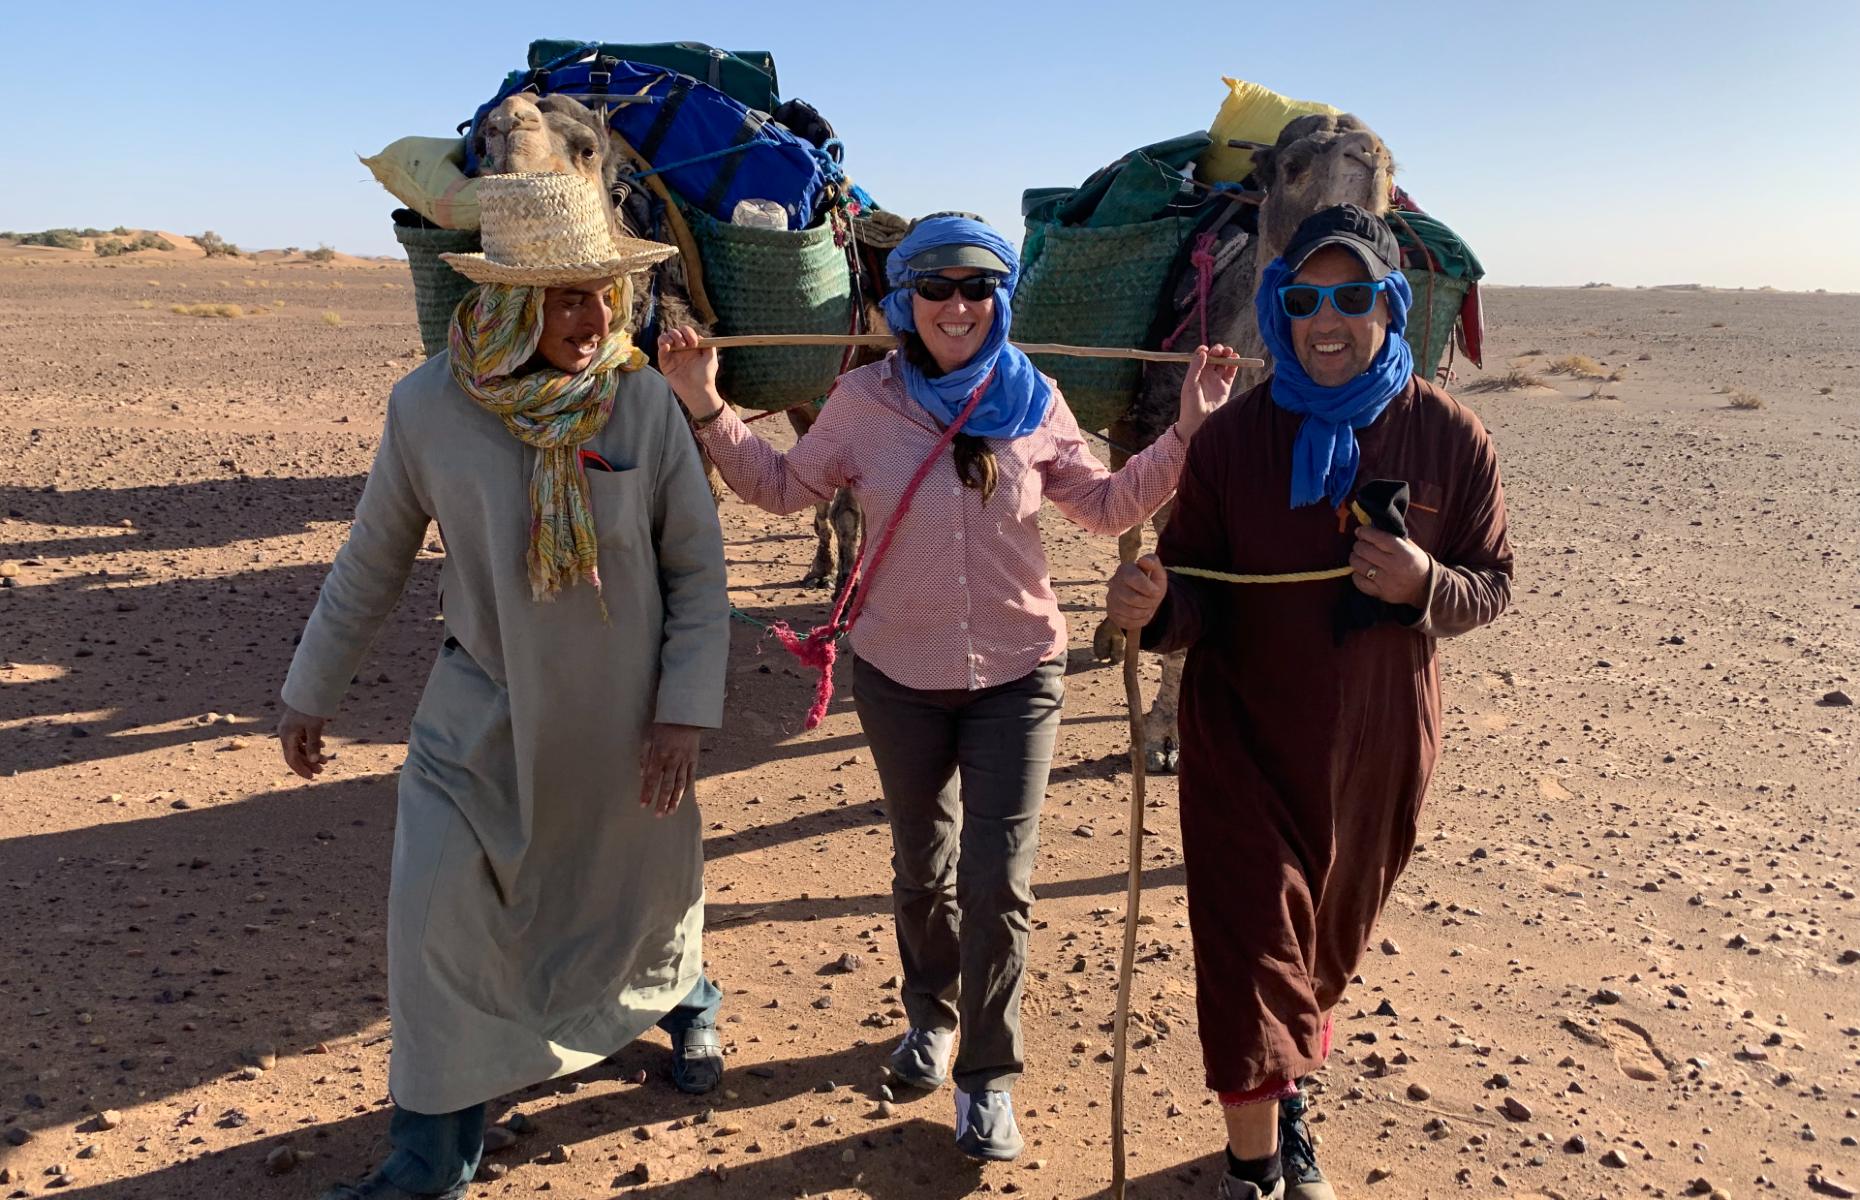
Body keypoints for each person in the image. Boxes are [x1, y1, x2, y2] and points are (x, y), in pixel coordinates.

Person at [656, 212, 1236, 1160]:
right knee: (923, 868)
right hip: (899, 674)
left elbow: (1108, 505)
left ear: (999, 298)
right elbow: (781, 490)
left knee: (998, 883)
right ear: (904, 299)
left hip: (1020, 673)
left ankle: (987, 1078)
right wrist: (705, 400)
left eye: (977, 288)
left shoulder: (1036, 398)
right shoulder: (859, 401)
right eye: (936, 287)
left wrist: (1188, 431)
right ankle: (930, 1016)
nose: (958, 305)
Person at [274, 173, 731, 1200]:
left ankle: (689, 995)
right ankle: (430, 1157)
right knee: (437, 922)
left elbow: (698, 572)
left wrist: (682, 712)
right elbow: (373, 559)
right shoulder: (429, 408)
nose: (595, 318)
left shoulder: (642, 404)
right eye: (568, 296)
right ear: (510, 301)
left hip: (623, 728)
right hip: (475, 720)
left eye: (603, 293)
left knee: (633, 903)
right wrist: (313, 688)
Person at [1105, 203, 1513, 1200]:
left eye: (1351, 297)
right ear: (1279, 313)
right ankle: (1256, 1172)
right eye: (1303, 300)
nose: (1325, 320)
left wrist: (1424, 583)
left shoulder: (1451, 439)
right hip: (1242, 742)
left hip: (1374, 758)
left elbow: (1490, 585)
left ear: (1392, 305)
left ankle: (1285, 1108)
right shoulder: (1238, 438)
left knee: (1317, 956)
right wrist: (1157, 608)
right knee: (1250, 959)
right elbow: (1193, 586)